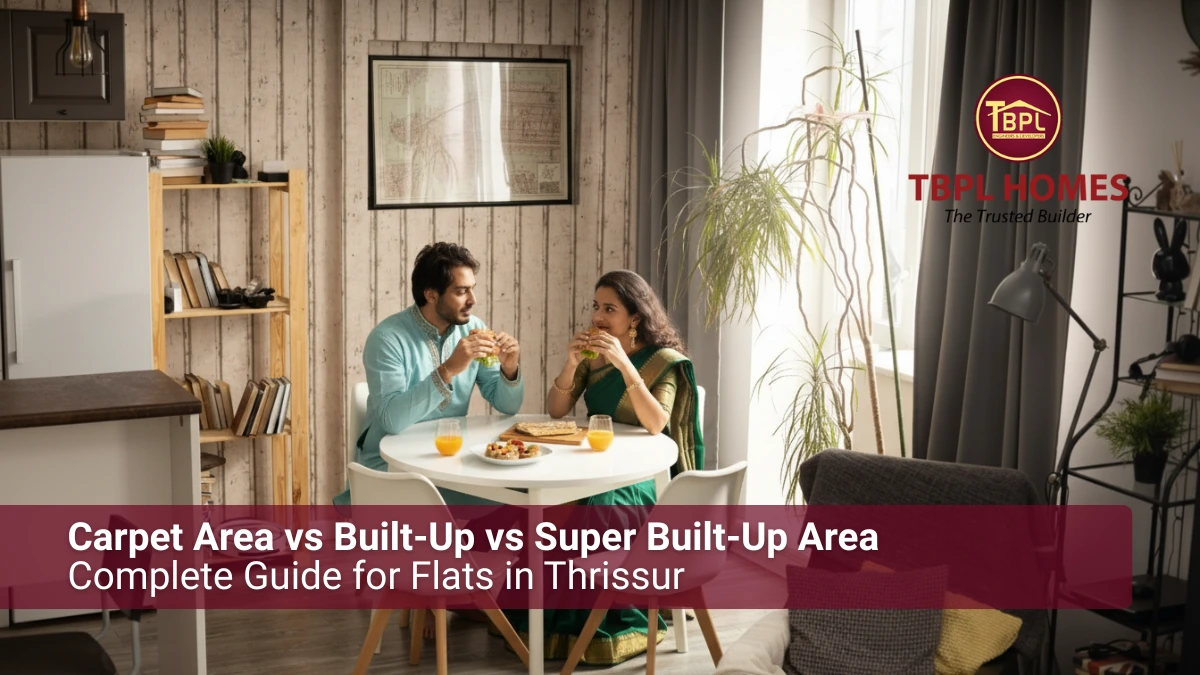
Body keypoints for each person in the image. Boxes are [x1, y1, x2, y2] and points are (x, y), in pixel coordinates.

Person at [514, 269, 705, 666]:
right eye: (595, 307)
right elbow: (557, 410)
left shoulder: (663, 362)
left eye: (609, 309)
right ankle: (543, 627)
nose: (598, 317)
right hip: (592, 463)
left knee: (595, 507)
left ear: (634, 317)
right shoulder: (592, 354)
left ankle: (601, 629)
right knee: (546, 505)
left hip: (641, 478)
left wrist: (624, 365)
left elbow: (656, 423)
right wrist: (570, 363)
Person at [334, 242, 525, 506]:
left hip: (450, 462)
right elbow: (392, 420)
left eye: (472, 289)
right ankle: (461, 544)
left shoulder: (475, 328)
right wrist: (449, 369)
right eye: (461, 291)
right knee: (510, 499)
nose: (472, 300)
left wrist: (509, 367)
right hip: (392, 470)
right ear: (431, 295)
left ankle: (465, 545)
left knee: (522, 491)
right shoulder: (387, 338)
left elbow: (508, 405)